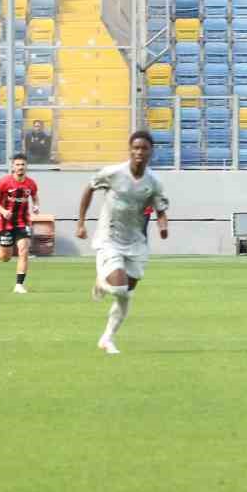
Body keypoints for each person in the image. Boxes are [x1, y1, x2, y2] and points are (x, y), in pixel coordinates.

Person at [76, 131, 171, 355]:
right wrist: (81, 222)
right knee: (120, 288)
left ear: (151, 152)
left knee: (126, 292)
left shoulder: (154, 182)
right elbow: (89, 188)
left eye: (144, 148)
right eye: (135, 148)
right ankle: (102, 281)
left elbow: (160, 208)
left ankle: (107, 337)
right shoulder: (113, 173)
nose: (139, 152)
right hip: (110, 238)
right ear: (129, 150)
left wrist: (163, 225)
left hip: (136, 242)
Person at [0, 155, 40, 292]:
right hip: (5, 222)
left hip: (22, 222)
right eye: (17, 165)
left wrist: (36, 206)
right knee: (6, 257)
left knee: (24, 250)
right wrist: (2, 210)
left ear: (26, 166)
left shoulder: (31, 183)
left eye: (23, 164)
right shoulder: (4, 182)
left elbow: (35, 197)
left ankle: (19, 285)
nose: (20, 167)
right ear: (13, 167)